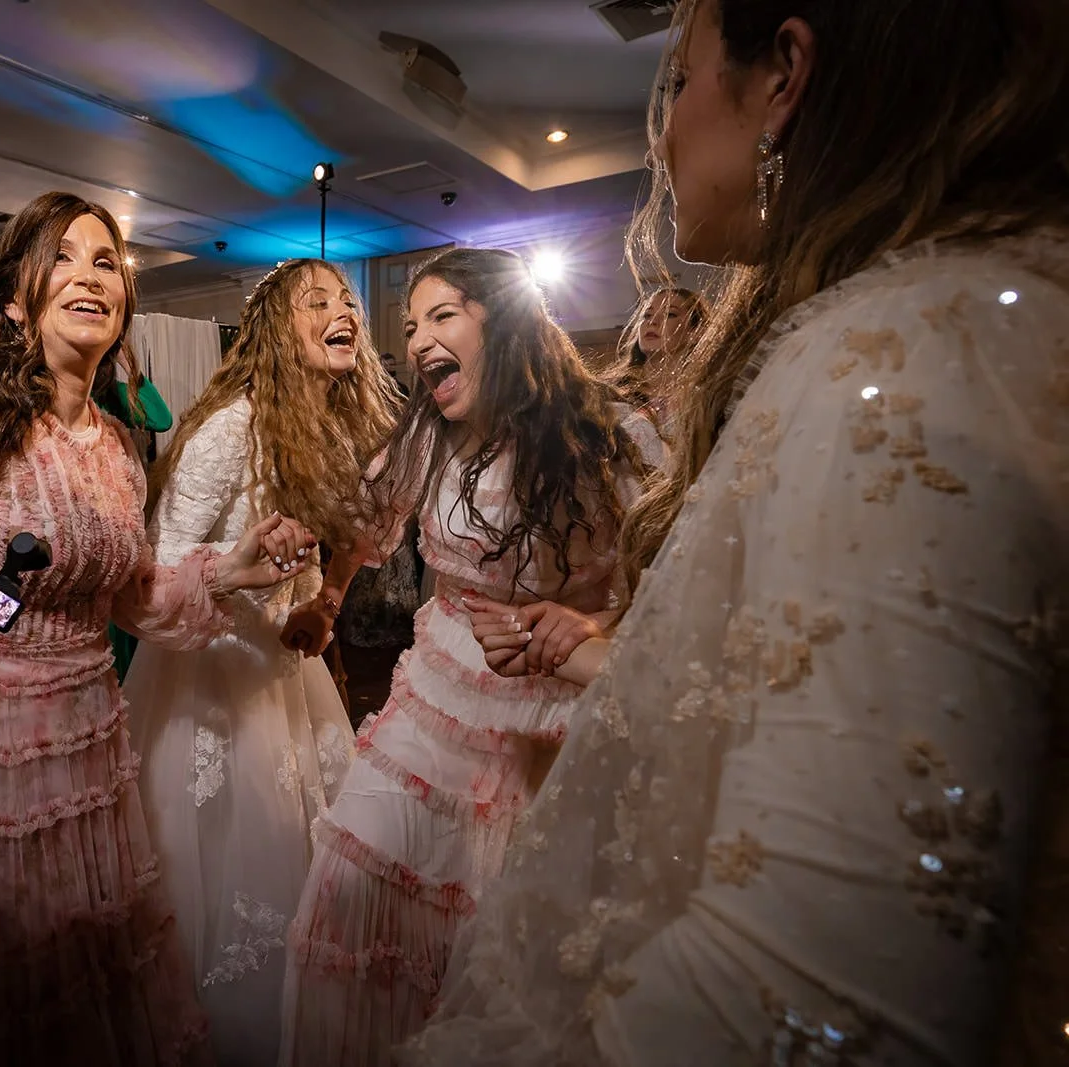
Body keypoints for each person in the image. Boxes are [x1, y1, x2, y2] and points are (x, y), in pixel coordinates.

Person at [407, 2, 1069, 1065]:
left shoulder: (896, 369)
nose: (663, 133)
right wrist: (592, 654)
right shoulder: (922, 327)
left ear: (782, 78)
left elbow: (813, 997)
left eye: (678, 80)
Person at [0, 190, 317, 1067]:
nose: (89, 276)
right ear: (13, 299)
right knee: (10, 985)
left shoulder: (115, 445)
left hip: (91, 749)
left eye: (106, 261)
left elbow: (134, 597)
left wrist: (230, 569)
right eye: (63, 257)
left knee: (92, 976)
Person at [276, 248, 653, 1066]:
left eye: (441, 316)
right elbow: (363, 532)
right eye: (411, 326)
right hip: (434, 703)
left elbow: (673, 584)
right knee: (347, 890)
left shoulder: (612, 435)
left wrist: (594, 630)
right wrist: (326, 601)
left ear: (507, 322)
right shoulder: (427, 438)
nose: (417, 341)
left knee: (497, 943)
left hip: (550, 725)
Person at [121, 258, 399, 1064]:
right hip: (213, 677)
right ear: (278, 329)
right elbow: (160, 567)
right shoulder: (228, 428)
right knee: (238, 876)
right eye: (319, 301)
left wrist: (325, 603)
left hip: (292, 672)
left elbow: (355, 539)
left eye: (349, 299)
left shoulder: (338, 429)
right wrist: (238, 564)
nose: (345, 308)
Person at [96, 367, 175, 680]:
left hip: (120, 524)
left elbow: (161, 419)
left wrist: (129, 370)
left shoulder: (110, 393)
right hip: (79, 521)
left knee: (125, 634)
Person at [612, 285, 707, 442]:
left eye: (670, 314)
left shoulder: (705, 397)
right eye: (647, 315)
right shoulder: (614, 392)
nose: (653, 322)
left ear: (696, 332)